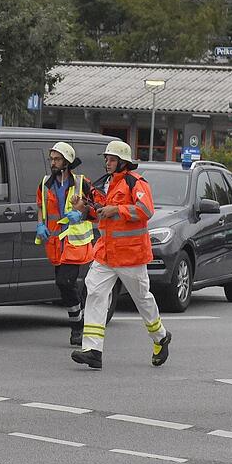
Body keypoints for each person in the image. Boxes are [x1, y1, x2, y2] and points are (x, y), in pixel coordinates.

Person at [70, 140, 171, 370]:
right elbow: (100, 216)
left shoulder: (135, 182)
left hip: (130, 256)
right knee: (94, 291)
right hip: (106, 253)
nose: (107, 163)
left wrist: (118, 209)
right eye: (106, 159)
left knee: (142, 299)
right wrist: (84, 209)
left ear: (123, 162)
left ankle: (161, 337)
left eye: (112, 159)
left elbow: (146, 211)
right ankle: (93, 350)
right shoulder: (107, 185)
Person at [34, 141, 97, 347]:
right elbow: (40, 207)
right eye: (51, 159)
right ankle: (79, 320)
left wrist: (81, 213)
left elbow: (96, 207)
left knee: (65, 282)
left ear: (67, 161)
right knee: (62, 285)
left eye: (57, 159)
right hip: (56, 242)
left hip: (76, 243)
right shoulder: (45, 184)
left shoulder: (81, 183)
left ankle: (78, 326)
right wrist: (40, 225)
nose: (53, 163)